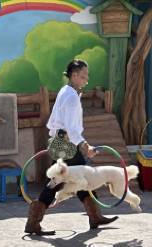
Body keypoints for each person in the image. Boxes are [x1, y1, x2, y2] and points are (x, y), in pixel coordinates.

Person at [24, 59, 118, 236]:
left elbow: (56, 122)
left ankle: (94, 215)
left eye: (86, 76)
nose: (86, 80)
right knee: (62, 182)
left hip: (60, 142)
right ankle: (34, 222)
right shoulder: (71, 97)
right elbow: (71, 128)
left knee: (76, 179)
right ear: (74, 76)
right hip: (65, 144)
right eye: (83, 76)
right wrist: (85, 146)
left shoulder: (66, 91)